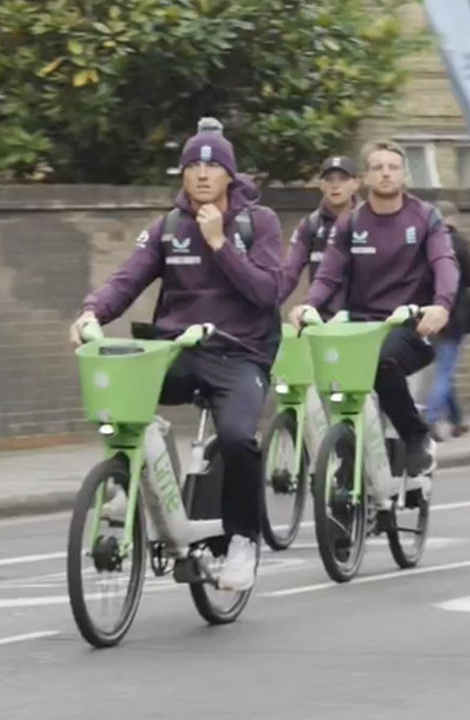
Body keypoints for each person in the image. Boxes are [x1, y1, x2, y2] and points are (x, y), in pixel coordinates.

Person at [69, 120, 283, 592]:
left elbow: (267, 292)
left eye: (212, 165)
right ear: (183, 174)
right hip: (178, 350)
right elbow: (127, 278)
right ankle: (125, 482)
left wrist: (220, 244)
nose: (202, 173)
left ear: (229, 174)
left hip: (239, 353)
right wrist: (91, 312)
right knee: (124, 399)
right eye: (192, 164)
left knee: (236, 438)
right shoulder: (168, 227)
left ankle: (243, 541)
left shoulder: (258, 223)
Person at [288, 139, 459, 479]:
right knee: (334, 380)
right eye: (378, 167)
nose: (385, 174)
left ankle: (416, 436)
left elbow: (445, 263)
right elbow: (328, 275)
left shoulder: (425, 217)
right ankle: (350, 458)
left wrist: (440, 306)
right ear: (365, 177)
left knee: (384, 362)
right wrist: (307, 306)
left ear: (404, 174)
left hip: (410, 327)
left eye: (393, 167)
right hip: (360, 327)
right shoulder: (350, 223)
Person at [279, 155, 362, 313]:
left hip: (364, 317)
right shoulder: (310, 225)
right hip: (321, 316)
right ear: (321, 185)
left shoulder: (369, 221)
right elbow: (289, 272)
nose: (335, 185)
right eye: (329, 179)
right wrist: (267, 304)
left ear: (356, 184)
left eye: (343, 179)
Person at [426, 200, 470, 440]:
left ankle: (456, 420)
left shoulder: (424, 243)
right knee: (444, 372)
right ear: (452, 218)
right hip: (453, 316)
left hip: (428, 314)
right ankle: (430, 420)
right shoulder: (457, 243)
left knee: (445, 369)